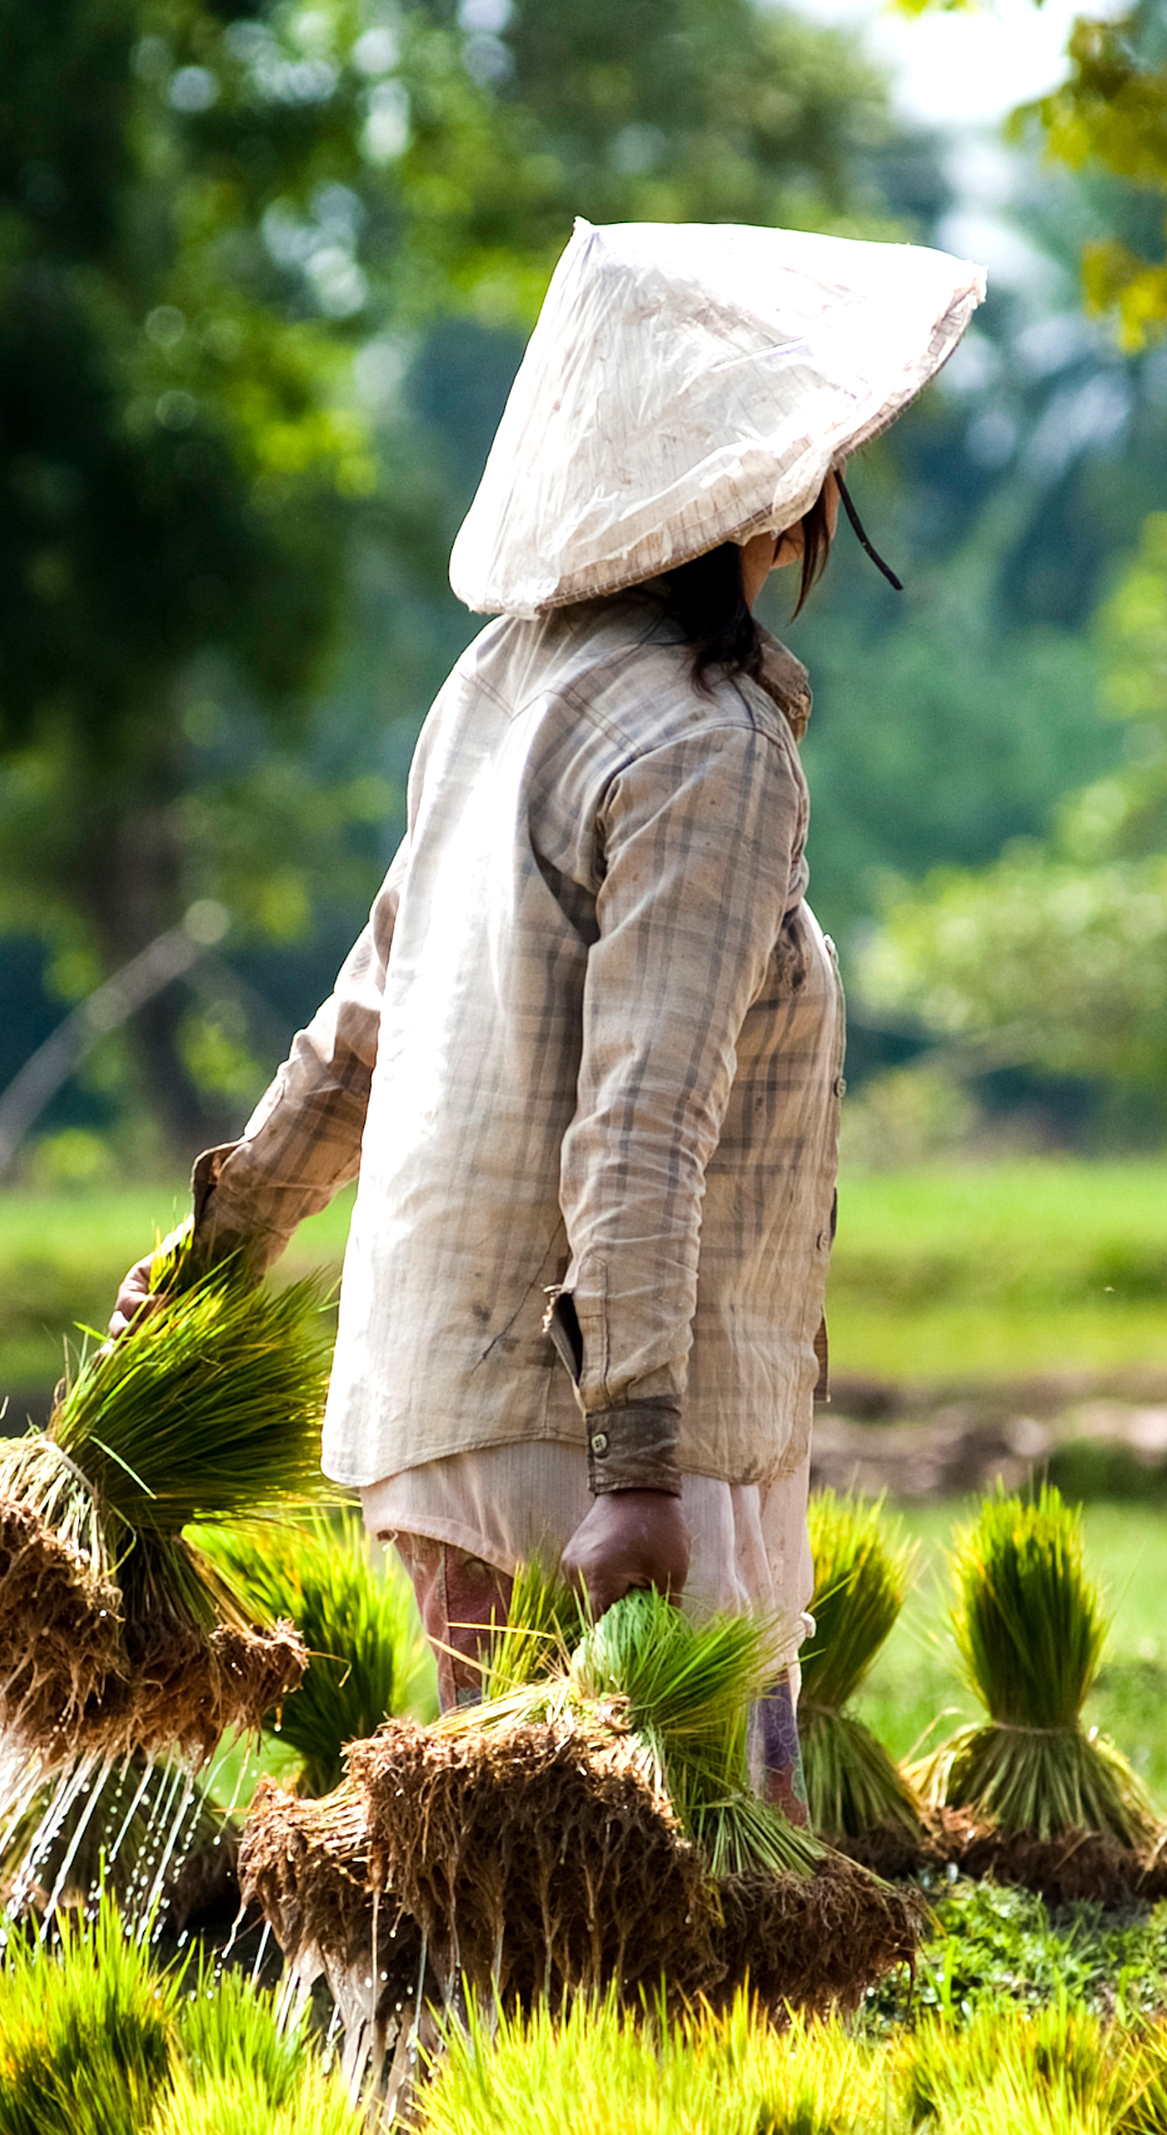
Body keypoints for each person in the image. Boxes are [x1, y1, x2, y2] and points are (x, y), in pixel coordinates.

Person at [119, 220, 984, 1812]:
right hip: (585, 1439)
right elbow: (643, 1116)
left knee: (501, 1930)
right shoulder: (705, 746)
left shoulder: (504, 686)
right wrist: (639, 1468)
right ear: (768, 487)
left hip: (441, 1410)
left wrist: (221, 1246)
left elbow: (363, 1018)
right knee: (689, 1942)